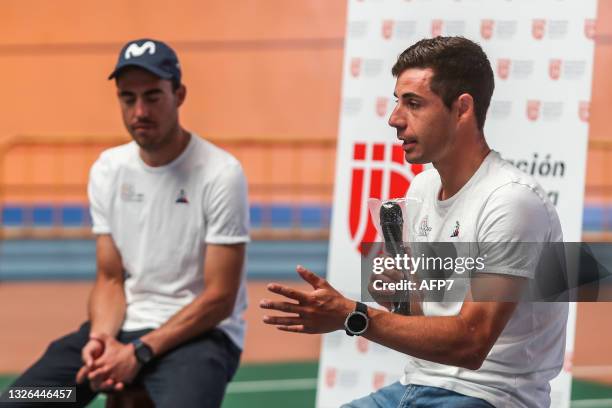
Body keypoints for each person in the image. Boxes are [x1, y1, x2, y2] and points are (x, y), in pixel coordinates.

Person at [260, 36, 568, 407]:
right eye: (397, 102)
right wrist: (400, 296)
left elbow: (470, 342)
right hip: (416, 385)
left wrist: (352, 314)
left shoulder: (512, 201)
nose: (394, 119)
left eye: (413, 103)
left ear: (462, 109)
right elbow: (430, 313)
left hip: (491, 397)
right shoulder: (422, 189)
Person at [3, 38, 250, 407]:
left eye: (152, 96)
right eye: (128, 98)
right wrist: (101, 340)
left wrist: (138, 354)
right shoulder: (108, 169)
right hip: (121, 329)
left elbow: (220, 298)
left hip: (198, 338)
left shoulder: (221, 173)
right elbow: (110, 277)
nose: (139, 111)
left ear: (179, 94)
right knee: (23, 399)